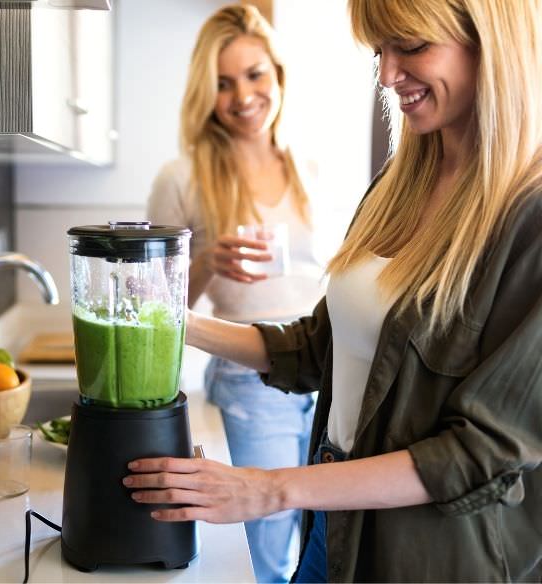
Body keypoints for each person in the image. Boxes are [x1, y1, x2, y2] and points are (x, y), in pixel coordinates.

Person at [127, 0, 542, 581]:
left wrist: (269, 490)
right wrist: (173, 321)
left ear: (490, 42)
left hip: (429, 556)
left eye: (411, 46)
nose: (388, 75)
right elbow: (323, 345)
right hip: (336, 521)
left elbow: (481, 452)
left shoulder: (528, 216)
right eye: (380, 51)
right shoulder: (399, 185)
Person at [146, 5, 325, 582]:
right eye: (223, 83)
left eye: (254, 75)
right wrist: (204, 261)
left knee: (320, 538)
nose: (243, 95)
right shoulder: (184, 175)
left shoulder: (308, 166)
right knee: (268, 547)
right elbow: (155, 303)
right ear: (206, 92)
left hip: (324, 367)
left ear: (277, 74)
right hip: (250, 379)